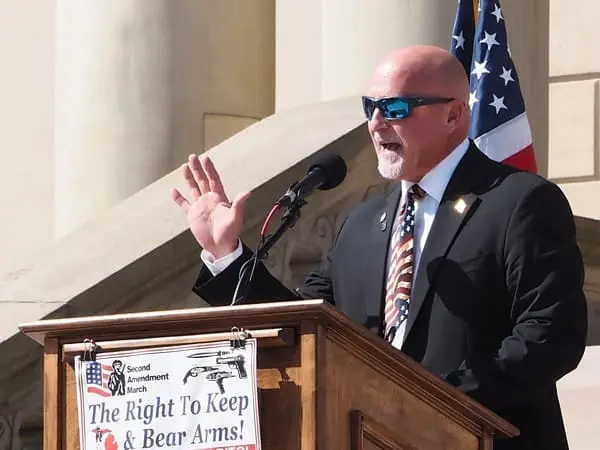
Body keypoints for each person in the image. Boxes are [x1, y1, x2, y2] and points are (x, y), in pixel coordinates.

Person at [171, 45, 588, 449]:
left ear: (454, 114)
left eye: (395, 109)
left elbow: (549, 336)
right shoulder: (363, 223)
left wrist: (434, 403)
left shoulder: (518, 202)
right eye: (369, 107)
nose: (375, 123)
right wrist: (227, 253)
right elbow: (301, 328)